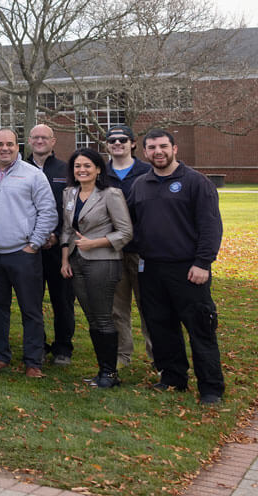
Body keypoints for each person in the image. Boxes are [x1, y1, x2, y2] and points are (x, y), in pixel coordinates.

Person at [128, 129, 225, 404]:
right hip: (152, 270)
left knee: (200, 328)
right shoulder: (141, 185)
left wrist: (203, 263)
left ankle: (211, 388)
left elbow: (210, 226)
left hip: (189, 269)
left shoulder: (196, 182)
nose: (157, 152)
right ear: (144, 152)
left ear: (175, 149)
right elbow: (132, 225)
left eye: (163, 146)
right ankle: (173, 378)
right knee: (161, 327)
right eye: (151, 148)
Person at [0, 128, 56, 378]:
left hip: (23, 254)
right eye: (0, 144)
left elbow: (48, 212)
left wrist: (33, 244)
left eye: (10, 144)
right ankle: (0, 356)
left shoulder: (33, 176)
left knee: (30, 309)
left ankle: (33, 361)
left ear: (18, 147)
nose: (5, 148)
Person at [59, 147, 133, 388]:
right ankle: (102, 370)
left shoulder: (110, 194)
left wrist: (95, 243)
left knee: (103, 318)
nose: (82, 170)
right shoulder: (69, 193)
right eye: (78, 166)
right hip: (76, 261)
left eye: (87, 166)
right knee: (92, 318)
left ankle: (110, 374)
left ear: (98, 169)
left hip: (103, 261)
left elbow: (125, 232)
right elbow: (67, 230)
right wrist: (65, 260)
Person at [103, 124, 154, 366]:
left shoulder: (148, 171)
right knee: (116, 308)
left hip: (143, 251)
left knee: (150, 307)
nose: (117, 143)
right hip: (112, 250)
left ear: (133, 143)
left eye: (123, 139)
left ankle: (157, 356)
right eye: (112, 140)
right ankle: (122, 355)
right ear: (107, 146)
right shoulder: (101, 173)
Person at [25, 124, 75, 366]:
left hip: (58, 248)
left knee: (62, 300)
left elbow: (71, 209)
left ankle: (63, 348)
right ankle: (39, 345)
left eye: (45, 137)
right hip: (28, 247)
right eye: (36, 137)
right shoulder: (19, 168)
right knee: (32, 300)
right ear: (29, 140)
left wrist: (56, 235)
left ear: (53, 141)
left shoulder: (66, 170)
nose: (40, 141)